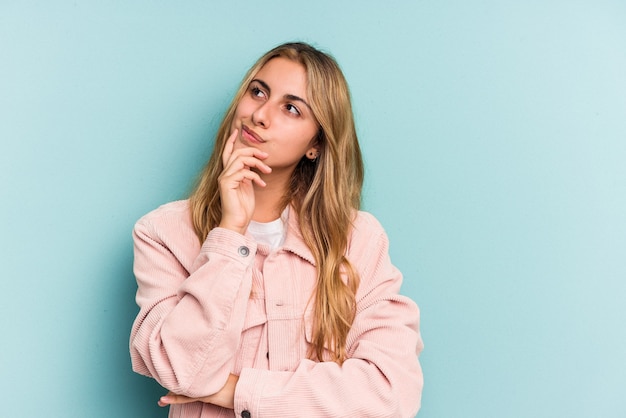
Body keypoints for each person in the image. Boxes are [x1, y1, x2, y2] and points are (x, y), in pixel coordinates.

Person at [129, 41, 424, 418]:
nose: (260, 115)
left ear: (316, 143)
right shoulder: (163, 234)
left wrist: (237, 391)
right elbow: (182, 371)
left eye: (291, 108)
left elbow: (391, 394)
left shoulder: (359, 240)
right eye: (257, 92)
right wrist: (231, 232)